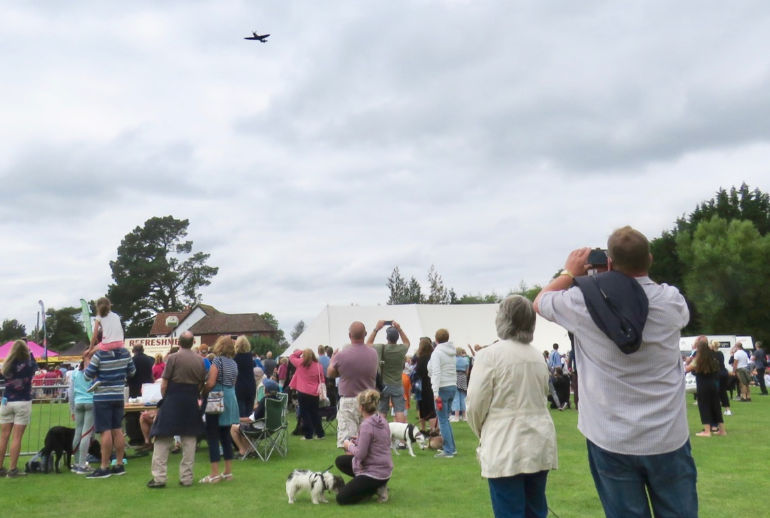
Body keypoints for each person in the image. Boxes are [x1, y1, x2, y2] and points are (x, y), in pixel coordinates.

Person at [534, 226, 698, 518]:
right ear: (649, 258)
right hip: (668, 434)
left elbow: (540, 302)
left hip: (610, 435)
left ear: (608, 263)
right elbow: (650, 292)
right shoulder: (671, 300)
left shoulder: (583, 303)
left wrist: (570, 273)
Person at [467, 296, 558, 518]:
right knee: (536, 510)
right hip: (538, 441)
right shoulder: (537, 355)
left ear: (503, 319)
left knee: (509, 511)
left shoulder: (490, 355)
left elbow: (475, 405)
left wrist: (483, 432)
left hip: (505, 442)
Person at [147, 331, 207, 488]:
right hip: (190, 400)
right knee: (189, 439)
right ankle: (186, 478)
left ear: (179, 342)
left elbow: (164, 383)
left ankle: (159, 478)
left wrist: (165, 398)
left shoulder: (173, 358)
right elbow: (201, 384)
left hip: (173, 398)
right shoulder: (200, 361)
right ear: (193, 342)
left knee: (162, 437)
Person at [84, 297, 135, 479]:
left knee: (105, 431)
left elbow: (87, 375)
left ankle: (104, 467)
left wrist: (89, 354)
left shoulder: (100, 356)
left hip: (102, 395)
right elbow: (132, 372)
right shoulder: (125, 353)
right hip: (117, 393)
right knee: (117, 430)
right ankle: (119, 464)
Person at [335, 389, 393, 505]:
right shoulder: (381, 420)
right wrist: (359, 440)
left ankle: (374, 488)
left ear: (361, 407)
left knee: (341, 498)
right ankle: (373, 485)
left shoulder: (366, 425)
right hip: (385, 469)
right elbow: (377, 442)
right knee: (340, 461)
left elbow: (361, 455)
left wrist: (349, 445)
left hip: (374, 472)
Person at [327, 321, 378, 448]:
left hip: (349, 400)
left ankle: (352, 467)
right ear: (365, 334)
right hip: (368, 400)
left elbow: (330, 373)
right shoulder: (373, 353)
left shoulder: (342, 355)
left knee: (349, 442)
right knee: (367, 441)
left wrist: (333, 359)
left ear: (350, 335)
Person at [200, 336, 239, 484]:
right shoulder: (234, 363)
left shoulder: (217, 361)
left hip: (217, 397)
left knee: (212, 436)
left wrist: (203, 391)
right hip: (230, 397)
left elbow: (211, 382)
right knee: (225, 435)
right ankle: (228, 472)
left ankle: (214, 474)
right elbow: (234, 382)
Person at [0, 340, 37, 478]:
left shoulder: (7, 365)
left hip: (7, 402)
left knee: (3, 437)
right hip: (22, 402)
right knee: (17, 437)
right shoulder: (28, 365)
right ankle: (12, 469)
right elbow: (35, 366)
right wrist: (30, 352)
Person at [366, 320, 410, 425]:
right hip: (397, 383)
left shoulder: (382, 348)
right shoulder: (401, 349)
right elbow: (407, 343)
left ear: (387, 338)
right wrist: (399, 328)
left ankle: (382, 435)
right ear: (397, 337)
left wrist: (376, 329)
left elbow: (368, 344)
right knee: (399, 411)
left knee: (382, 411)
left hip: (384, 384)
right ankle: (401, 439)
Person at [685, 336, 725, 437]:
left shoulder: (699, 359)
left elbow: (687, 369)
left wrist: (687, 362)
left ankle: (707, 431)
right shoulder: (712, 357)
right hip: (713, 384)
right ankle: (722, 430)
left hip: (703, 385)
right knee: (716, 406)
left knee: (704, 406)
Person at [428, 328, 457, 458]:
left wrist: (435, 392)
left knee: (443, 420)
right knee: (446, 419)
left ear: (436, 339)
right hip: (452, 386)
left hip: (442, 387)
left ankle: (449, 450)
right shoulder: (452, 352)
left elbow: (436, 372)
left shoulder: (437, 353)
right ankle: (451, 447)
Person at [288, 348, 326, 440]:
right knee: (315, 413)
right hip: (314, 393)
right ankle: (320, 433)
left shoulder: (300, 363)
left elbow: (291, 357)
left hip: (303, 392)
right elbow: (322, 379)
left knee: (305, 414)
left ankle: (309, 434)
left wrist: (300, 351)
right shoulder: (318, 366)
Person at [69, 351, 95, 474]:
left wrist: (72, 408)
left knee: (78, 432)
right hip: (90, 402)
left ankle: (76, 462)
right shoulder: (94, 372)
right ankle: (82, 464)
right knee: (86, 433)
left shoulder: (75, 373)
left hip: (78, 402)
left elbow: (71, 392)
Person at [126, 345, 154, 447]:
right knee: (146, 412)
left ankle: (136, 438)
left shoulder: (132, 360)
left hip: (134, 389)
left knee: (133, 413)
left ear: (133, 351)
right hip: (147, 388)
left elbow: (129, 374)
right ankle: (146, 437)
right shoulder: (149, 359)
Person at [414, 337, 436, 433]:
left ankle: (423, 428)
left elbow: (417, 372)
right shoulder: (433, 358)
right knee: (431, 409)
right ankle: (433, 429)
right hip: (430, 384)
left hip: (421, 386)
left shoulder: (420, 359)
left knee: (421, 408)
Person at [233, 336, 257, 418]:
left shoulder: (235, 358)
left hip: (240, 386)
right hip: (251, 386)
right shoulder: (250, 357)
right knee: (249, 412)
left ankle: (241, 429)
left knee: (241, 413)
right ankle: (249, 429)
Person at [711, 340, 732, 416]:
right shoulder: (720, 353)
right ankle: (727, 409)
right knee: (723, 392)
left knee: (714, 392)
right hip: (724, 373)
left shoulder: (711, 354)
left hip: (716, 374)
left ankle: (716, 410)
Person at [451, 348, 470, 422]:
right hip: (463, 378)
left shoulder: (453, 360)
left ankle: (456, 416)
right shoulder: (466, 360)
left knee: (456, 397)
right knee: (463, 397)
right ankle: (464, 416)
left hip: (455, 377)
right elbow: (467, 372)